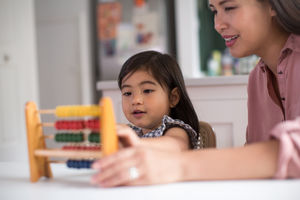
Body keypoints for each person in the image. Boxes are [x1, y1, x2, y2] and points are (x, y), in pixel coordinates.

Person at [91, 0, 300, 187]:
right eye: (214, 11)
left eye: (229, 7)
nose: (218, 25)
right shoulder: (257, 79)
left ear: (273, 4)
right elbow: (258, 163)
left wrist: (177, 166)